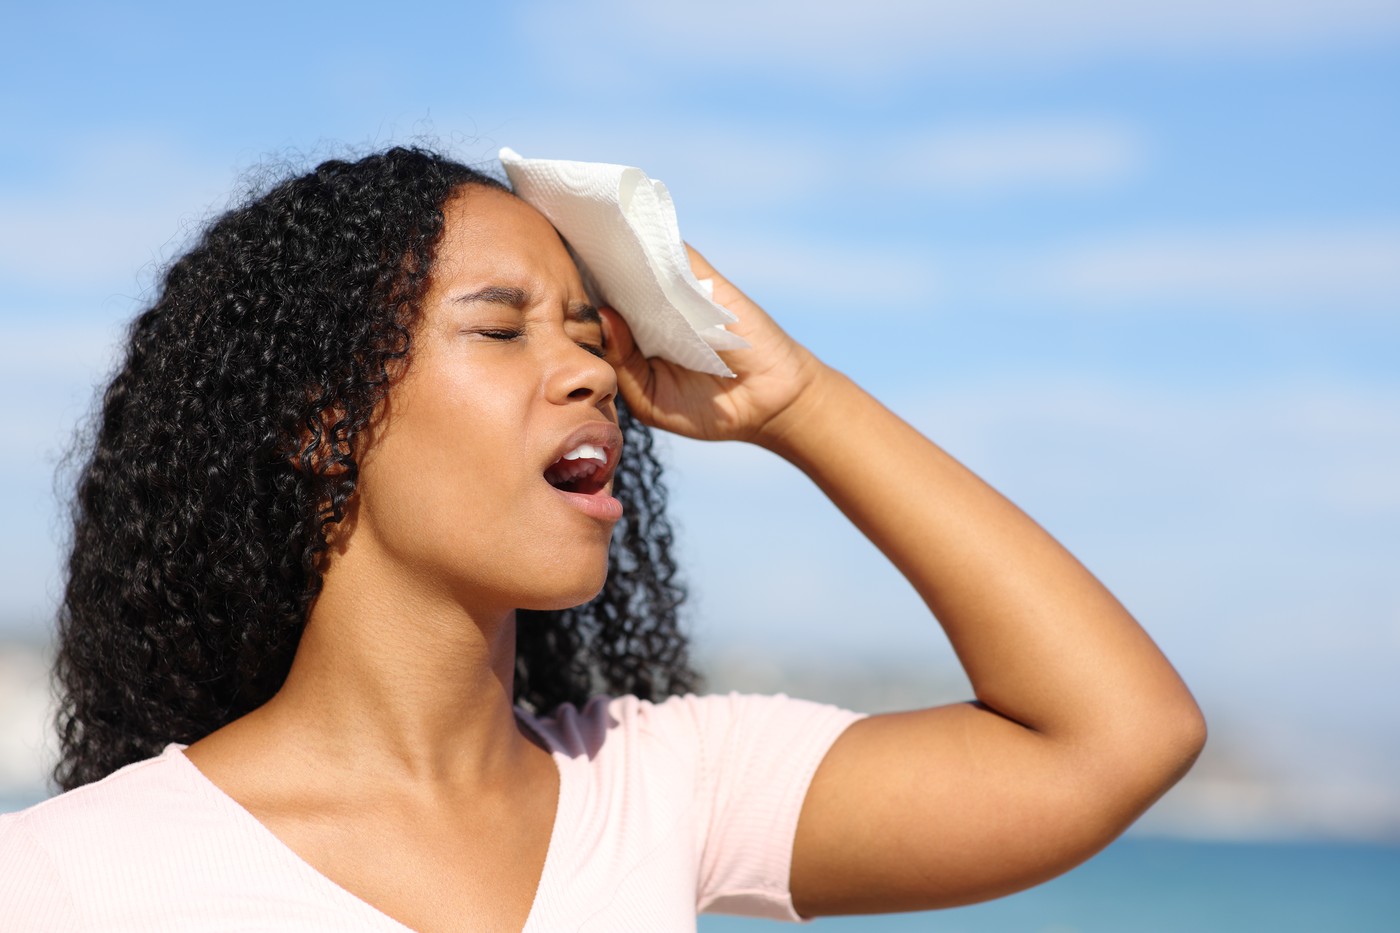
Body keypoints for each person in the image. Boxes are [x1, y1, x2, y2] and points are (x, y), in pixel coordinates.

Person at [0, 147, 1205, 930]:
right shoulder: (65, 880)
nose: (588, 374)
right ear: (323, 423)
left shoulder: (659, 783)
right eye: (501, 330)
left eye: (591, 338)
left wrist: (798, 404)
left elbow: (1114, 740)